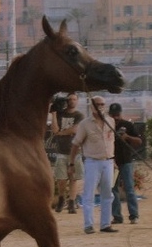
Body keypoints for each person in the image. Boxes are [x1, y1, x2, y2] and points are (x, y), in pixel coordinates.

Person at [69, 95, 117, 234]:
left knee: (108, 194)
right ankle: (88, 225)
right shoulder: (85, 124)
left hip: (108, 161)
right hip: (92, 162)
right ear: (92, 107)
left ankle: (105, 224)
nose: (101, 106)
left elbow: (112, 141)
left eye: (103, 104)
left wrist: (114, 161)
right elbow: (76, 144)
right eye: (98, 104)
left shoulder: (110, 121)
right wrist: (71, 163)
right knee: (89, 194)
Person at [109, 102, 144, 225]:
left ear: (121, 113)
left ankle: (134, 215)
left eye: (117, 114)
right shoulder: (107, 125)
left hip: (126, 162)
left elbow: (139, 141)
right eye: (113, 115)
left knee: (129, 188)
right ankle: (117, 216)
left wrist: (127, 137)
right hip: (112, 163)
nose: (115, 117)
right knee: (113, 189)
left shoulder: (128, 125)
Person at [48, 93, 79, 213]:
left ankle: (72, 201)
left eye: (74, 99)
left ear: (77, 101)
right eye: (69, 99)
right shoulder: (60, 114)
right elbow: (54, 129)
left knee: (73, 178)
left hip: (75, 151)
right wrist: (54, 113)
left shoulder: (79, 115)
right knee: (61, 179)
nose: (71, 101)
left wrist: (61, 132)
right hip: (61, 151)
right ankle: (61, 198)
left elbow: (75, 129)